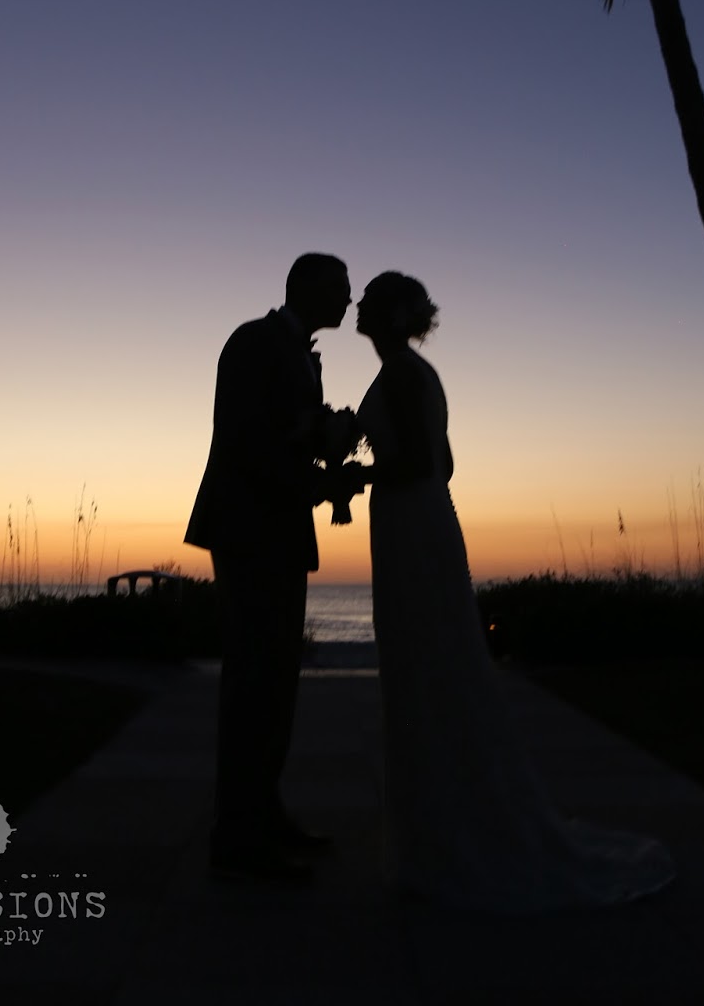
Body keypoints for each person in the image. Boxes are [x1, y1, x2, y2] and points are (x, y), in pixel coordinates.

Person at [353, 270, 676, 911]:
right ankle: (437, 831)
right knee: (425, 660)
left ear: (389, 315)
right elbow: (443, 465)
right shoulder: (410, 374)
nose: (357, 307)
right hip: (417, 521)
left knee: (424, 662)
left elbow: (423, 464)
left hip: (411, 525)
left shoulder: (404, 376)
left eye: (368, 300)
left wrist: (355, 474)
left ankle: (443, 841)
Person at [185, 253, 361, 881]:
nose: (348, 299)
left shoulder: (301, 354)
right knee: (254, 682)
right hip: (249, 529)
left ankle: (263, 812)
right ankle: (237, 837)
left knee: (277, 681)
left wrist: (328, 443)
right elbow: (247, 441)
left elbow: (286, 433)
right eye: (340, 288)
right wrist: (319, 483)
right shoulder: (253, 342)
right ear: (305, 287)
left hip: (276, 530)